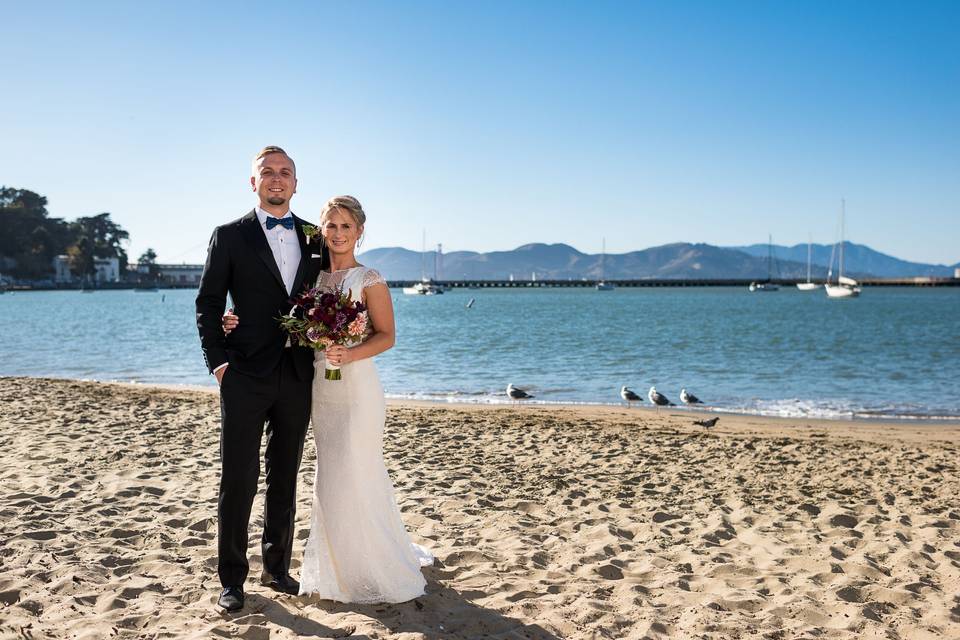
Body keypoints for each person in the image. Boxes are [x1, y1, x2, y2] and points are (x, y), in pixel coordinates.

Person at [223, 195, 433, 603]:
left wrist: (349, 352)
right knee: (330, 476)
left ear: (359, 231)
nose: (338, 234)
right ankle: (339, 566)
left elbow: (387, 336)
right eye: (331, 226)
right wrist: (231, 316)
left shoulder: (369, 278)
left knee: (360, 467)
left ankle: (375, 563)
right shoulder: (312, 277)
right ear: (321, 230)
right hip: (318, 386)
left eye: (346, 226)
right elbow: (267, 302)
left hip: (356, 388)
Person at [195, 146, 324, 612]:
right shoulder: (229, 236)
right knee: (239, 477)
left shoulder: (315, 237)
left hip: (297, 372)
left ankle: (277, 568)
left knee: (285, 474)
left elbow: (326, 298)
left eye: (284, 173)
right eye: (266, 172)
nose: (276, 179)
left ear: (296, 182)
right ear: (253, 182)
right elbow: (208, 304)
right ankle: (231, 579)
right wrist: (219, 362)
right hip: (244, 372)